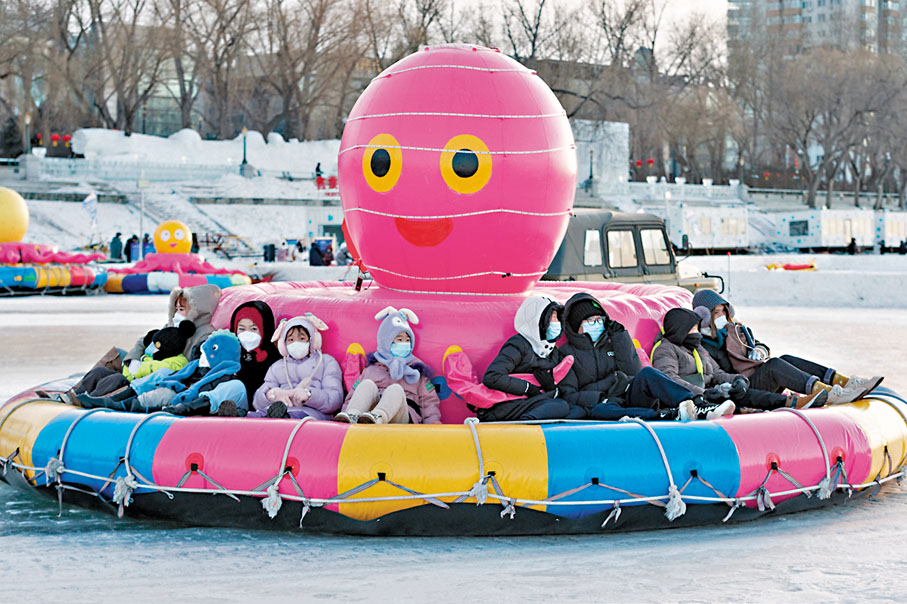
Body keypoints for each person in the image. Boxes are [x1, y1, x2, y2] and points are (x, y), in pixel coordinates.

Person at [559, 293, 733, 421]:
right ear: (577, 326)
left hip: (624, 394)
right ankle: (667, 414)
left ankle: (699, 404)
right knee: (604, 410)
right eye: (590, 321)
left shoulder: (611, 343)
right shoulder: (568, 352)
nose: (596, 325)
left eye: (599, 320)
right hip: (600, 403)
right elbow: (569, 394)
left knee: (647, 374)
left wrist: (621, 337)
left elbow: (633, 371)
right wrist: (604, 389)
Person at [692, 290, 882, 404]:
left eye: (723, 312)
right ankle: (827, 393)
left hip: (755, 374)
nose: (721, 317)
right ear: (704, 316)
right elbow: (718, 373)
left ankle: (844, 382)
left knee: (785, 359)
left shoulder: (734, 330)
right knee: (774, 365)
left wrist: (761, 350)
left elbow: (756, 344)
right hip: (743, 387)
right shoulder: (704, 344)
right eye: (716, 313)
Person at [651, 308, 828, 411]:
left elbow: (718, 372)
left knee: (748, 387)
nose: (697, 332)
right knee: (753, 391)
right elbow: (669, 380)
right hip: (697, 399)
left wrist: (738, 380)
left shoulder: (697, 347)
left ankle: (821, 386)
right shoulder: (666, 350)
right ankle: (792, 403)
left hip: (715, 391)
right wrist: (702, 393)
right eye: (693, 328)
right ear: (680, 330)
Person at [335, 307, 440, 424]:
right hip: (368, 415)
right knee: (367, 384)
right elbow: (353, 395)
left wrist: (433, 426)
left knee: (395, 389)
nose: (404, 344)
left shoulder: (416, 370)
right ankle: (351, 415)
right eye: (399, 339)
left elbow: (429, 403)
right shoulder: (372, 368)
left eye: (407, 340)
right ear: (387, 342)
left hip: (403, 417)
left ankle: (379, 416)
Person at [479, 296, 575, 421]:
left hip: (533, 402)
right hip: (506, 404)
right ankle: (525, 428)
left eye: (557, 318)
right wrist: (527, 388)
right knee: (560, 406)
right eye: (551, 318)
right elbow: (492, 377)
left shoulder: (552, 350)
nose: (555, 323)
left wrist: (551, 388)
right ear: (537, 320)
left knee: (573, 409)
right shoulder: (518, 344)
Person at [250, 314, 343, 419]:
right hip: (275, 411)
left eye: (302, 338)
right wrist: (270, 394)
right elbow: (257, 402)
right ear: (283, 345)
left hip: (309, 415)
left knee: (291, 417)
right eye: (291, 340)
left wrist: (309, 395)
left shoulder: (326, 362)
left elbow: (335, 399)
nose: (296, 343)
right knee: (253, 417)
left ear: (313, 341)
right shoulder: (277, 367)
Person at [123, 284, 221, 371]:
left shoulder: (205, 334)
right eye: (176, 309)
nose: (177, 314)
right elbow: (143, 341)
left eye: (181, 309)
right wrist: (132, 360)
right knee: (117, 355)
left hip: (167, 377)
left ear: (197, 311)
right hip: (147, 366)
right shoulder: (172, 326)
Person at [230, 301, 282, 405]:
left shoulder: (273, 356)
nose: (247, 334)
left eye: (253, 329)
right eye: (242, 329)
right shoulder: (231, 352)